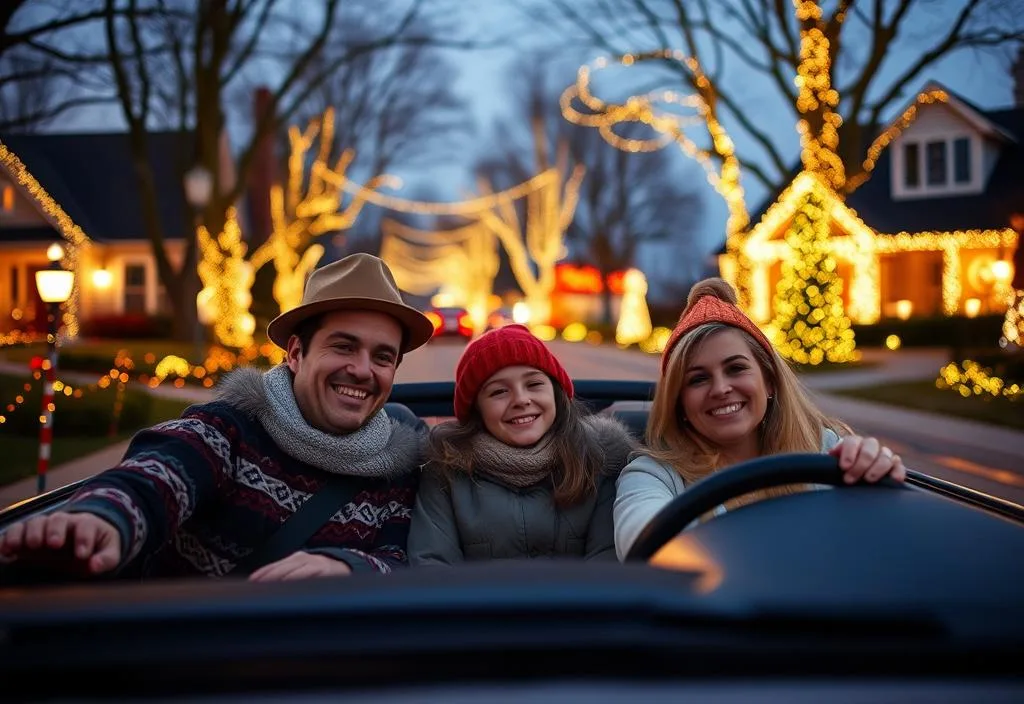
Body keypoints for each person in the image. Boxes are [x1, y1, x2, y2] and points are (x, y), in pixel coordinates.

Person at [0, 253, 435, 580]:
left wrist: (344, 567)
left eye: (382, 357)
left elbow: (401, 562)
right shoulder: (230, 429)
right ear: (297, 354)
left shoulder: (394, 467)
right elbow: (160, 473)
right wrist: (103, 518)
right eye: (343, 346)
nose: (362, 370)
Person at [613, 278, 906, 561]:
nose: (721, 389)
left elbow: (885, 542)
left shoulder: (825, 450)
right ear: (678, 401)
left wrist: (875, 474)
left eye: (736, 368)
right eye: (698, 379)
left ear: (769, 381)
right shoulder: (653, 474)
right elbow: (644, 542)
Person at [408, 324, 638, 565]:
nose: (520, 400)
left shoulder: (599, 458)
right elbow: (432, 563)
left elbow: (607, 561)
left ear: (556, 393)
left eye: (534, 384)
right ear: (477, 410)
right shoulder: (445, 470)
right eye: (498, 392)